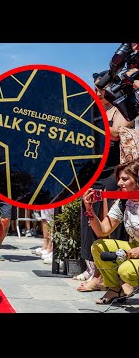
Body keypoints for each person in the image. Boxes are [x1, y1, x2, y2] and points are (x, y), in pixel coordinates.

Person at [76, 70, 131, 292]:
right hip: (93, 171)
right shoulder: (93, 109)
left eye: (100, 88)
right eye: (96, 88)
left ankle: (110, 276)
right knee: (89, 219)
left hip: (113, 172)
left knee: (108, 221)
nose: (96, 92)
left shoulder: (123, 108)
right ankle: (94, 270)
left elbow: (117, 132)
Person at [83, 160, 139, 304]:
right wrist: (89, 209)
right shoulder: (123, 201)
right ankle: (115, 289)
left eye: (125, 179)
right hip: (135, 247)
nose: (119, 183)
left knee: (126, 271)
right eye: (119, 179)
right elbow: (103, 231)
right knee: (99, 246)